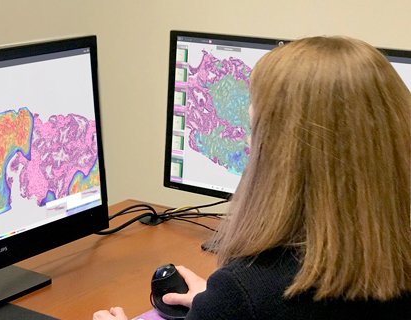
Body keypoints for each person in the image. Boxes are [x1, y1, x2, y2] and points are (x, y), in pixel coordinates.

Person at [93, 36, 411, 320]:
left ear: (284, 153)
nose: (248, 143)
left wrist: (225, 304)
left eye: (253, 129)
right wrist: (215, 305)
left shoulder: (247, 290)